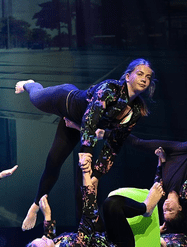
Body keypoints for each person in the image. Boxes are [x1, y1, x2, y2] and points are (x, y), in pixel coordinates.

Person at [15, 58, 155, 230]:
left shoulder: (136, 111)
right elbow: (90, 120)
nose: (144, 79)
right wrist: (86, 152)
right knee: (36, 97)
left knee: (55, 161)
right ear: (127, 76)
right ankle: (29, 84)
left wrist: (97, 174)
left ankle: (39, 207)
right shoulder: (110, 89)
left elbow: (115, 144)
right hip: (65, 100)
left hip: (77, 125)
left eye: (148, 77)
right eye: (140, 74)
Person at [23, 152, 164, 247]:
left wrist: (47, 216)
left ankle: (159, 170)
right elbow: (89, 216)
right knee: (112, 205)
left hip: (100, 239)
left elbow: (49, 239)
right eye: (43, 241)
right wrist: (86, 174)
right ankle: (146, 208)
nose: (43, 237)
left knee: (92, 202)